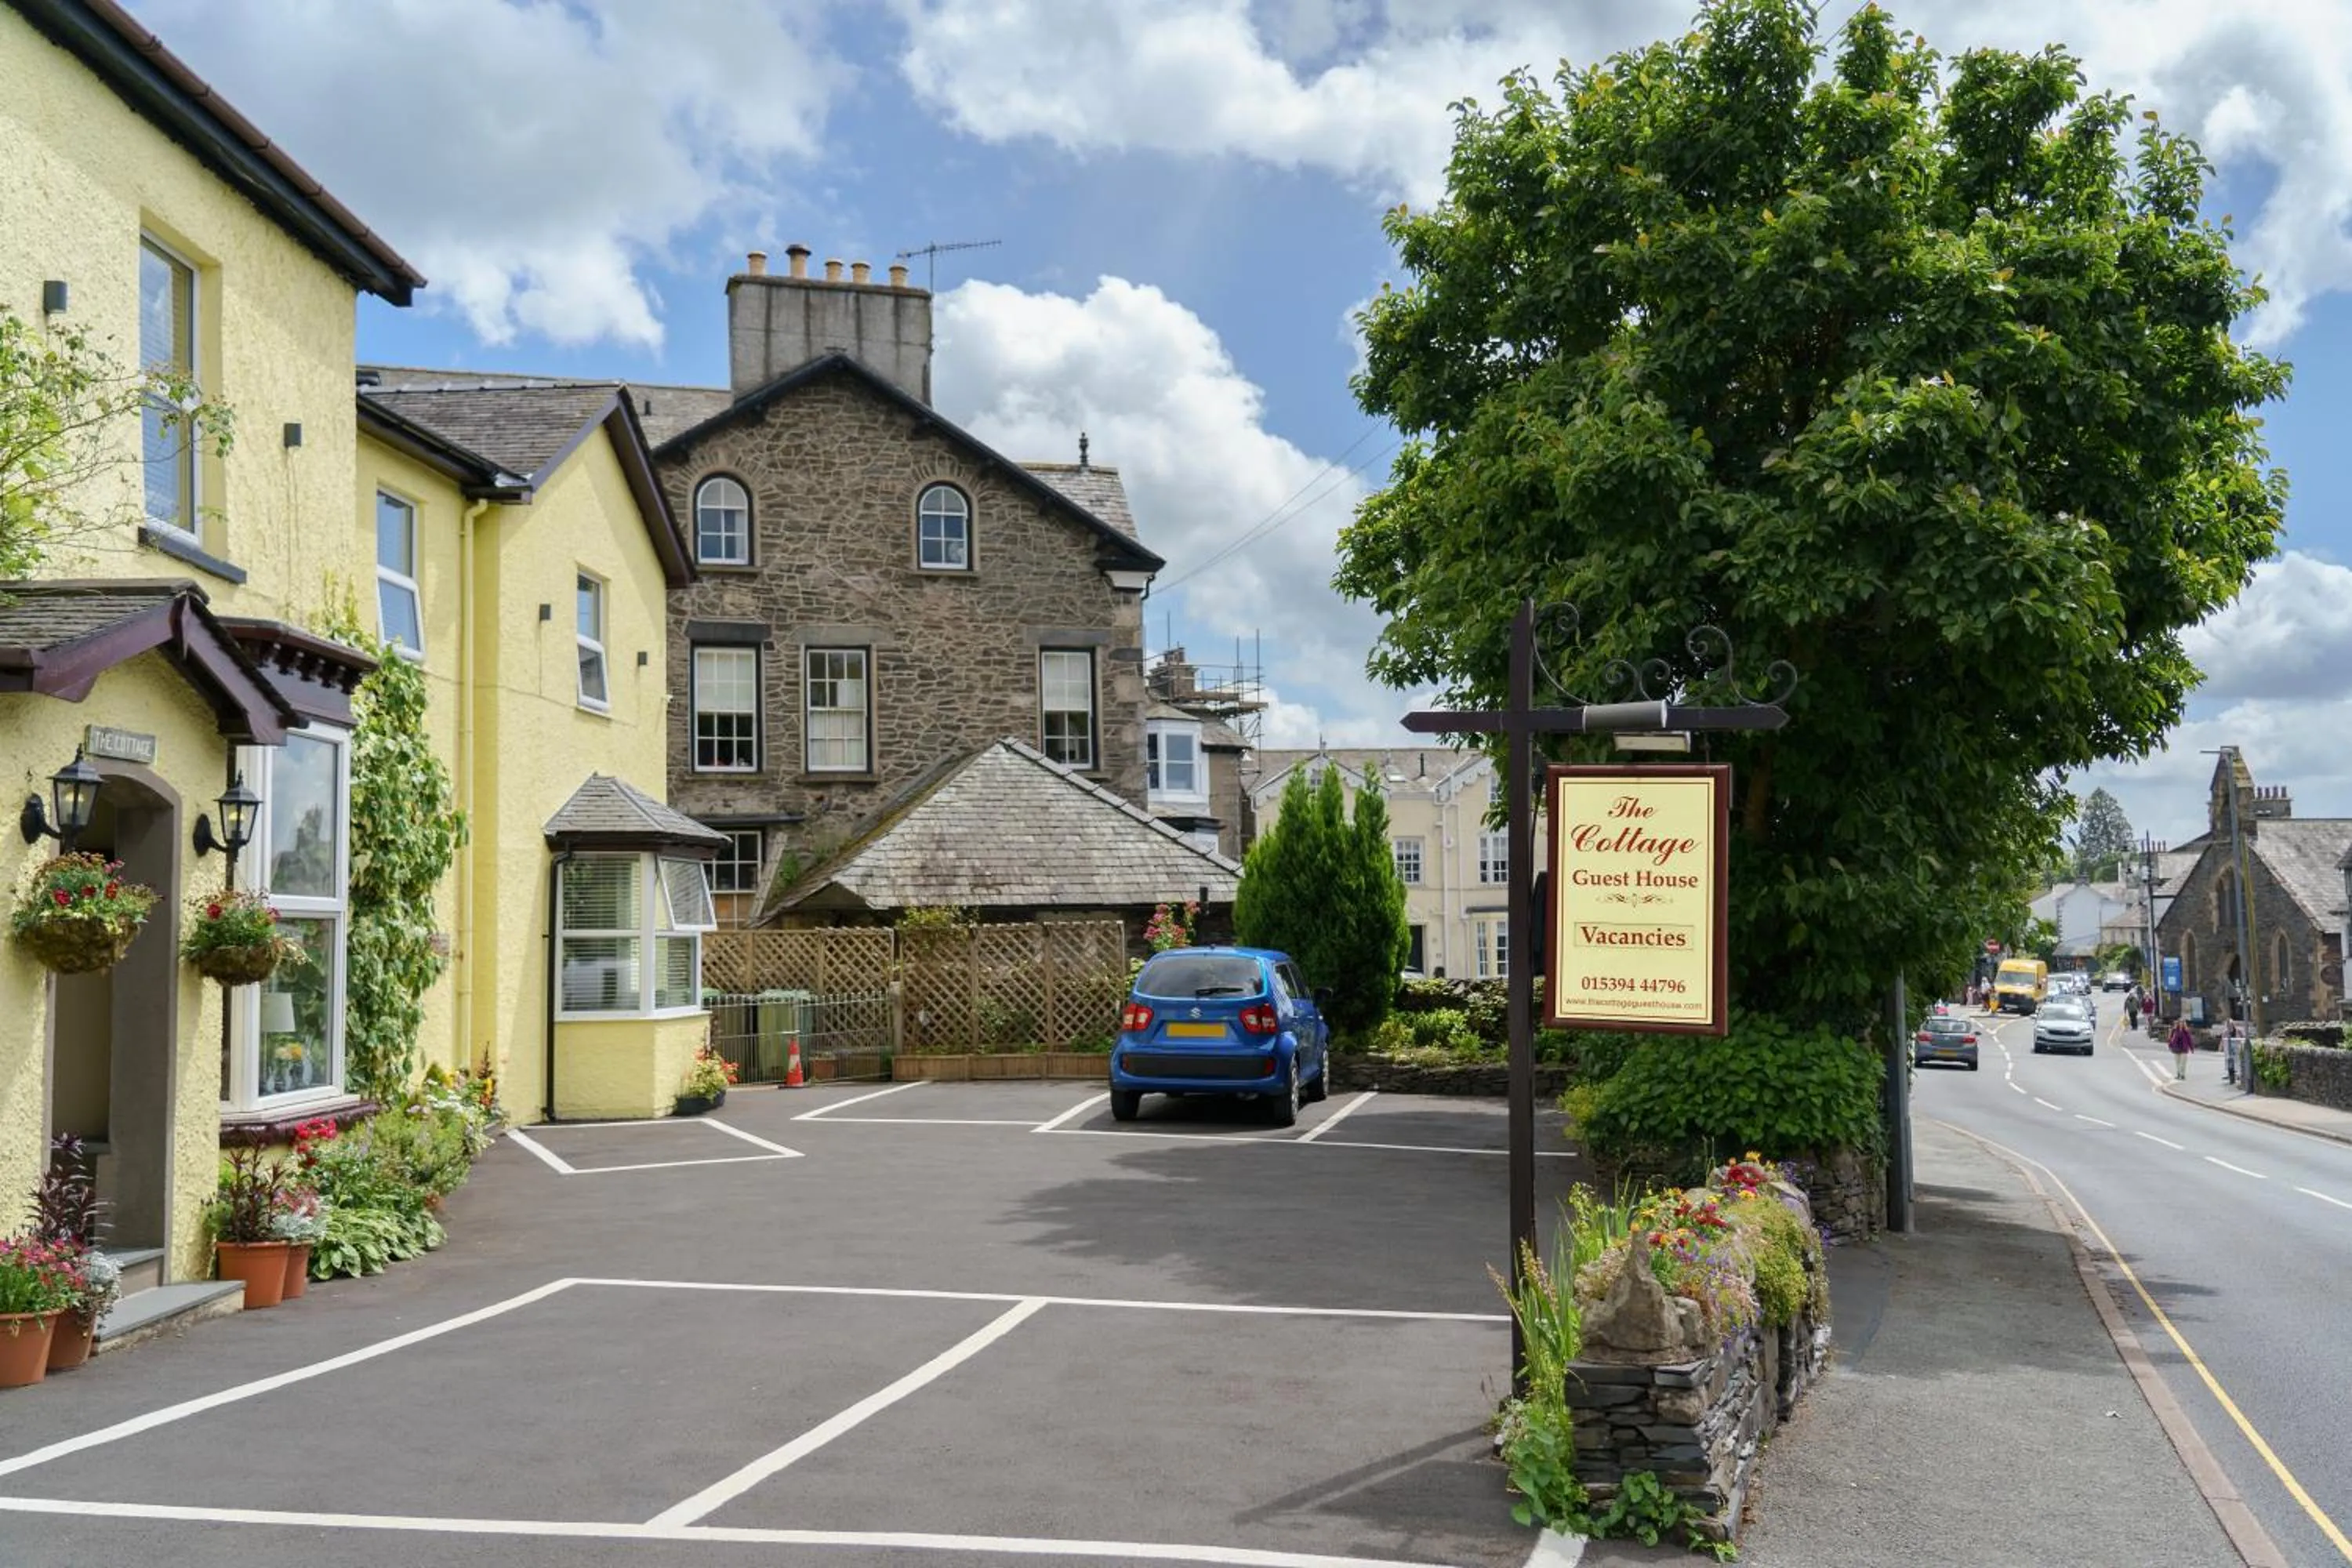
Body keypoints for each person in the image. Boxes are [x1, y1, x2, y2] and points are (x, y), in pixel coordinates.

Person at [2166, 1016, 2194, 1081]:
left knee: (2183, 1063)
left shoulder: (2186, 1031)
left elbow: (2190, 1040)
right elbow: (2171, 1039)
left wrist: (2192, 1048)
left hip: (2184, 1049)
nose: (2181, 1024)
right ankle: (2179, 1074)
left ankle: (2182, 1075)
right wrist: (2170, 1046)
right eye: (2180, 1022)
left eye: (2183, 1022)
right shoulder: (2175, 1030)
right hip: (2176, 1048)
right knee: (2177, 1063)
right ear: (2178, 1023)